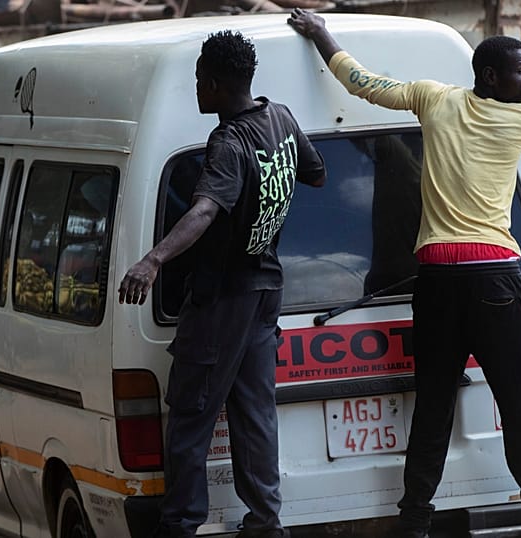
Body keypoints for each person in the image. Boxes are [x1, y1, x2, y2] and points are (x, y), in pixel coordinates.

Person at [287, 9, 521, 538]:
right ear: (491, 77)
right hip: (495, 281)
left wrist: (321, 34)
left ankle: (415, 519)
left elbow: (361, 82)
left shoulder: (433, 99)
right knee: (516, 402)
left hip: (437, 283)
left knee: (433, 406)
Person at [118, 30, 326, 538]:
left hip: (224, 300)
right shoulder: (279, 116)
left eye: (198, 81)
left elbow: (205, 209)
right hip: (264, 291)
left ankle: (181, 525)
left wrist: (152, 260)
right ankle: (265, 524)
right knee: (255, 415)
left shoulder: (229, 141)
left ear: (212, 83)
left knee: (190, 418)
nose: (196, 89)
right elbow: (316, 173)